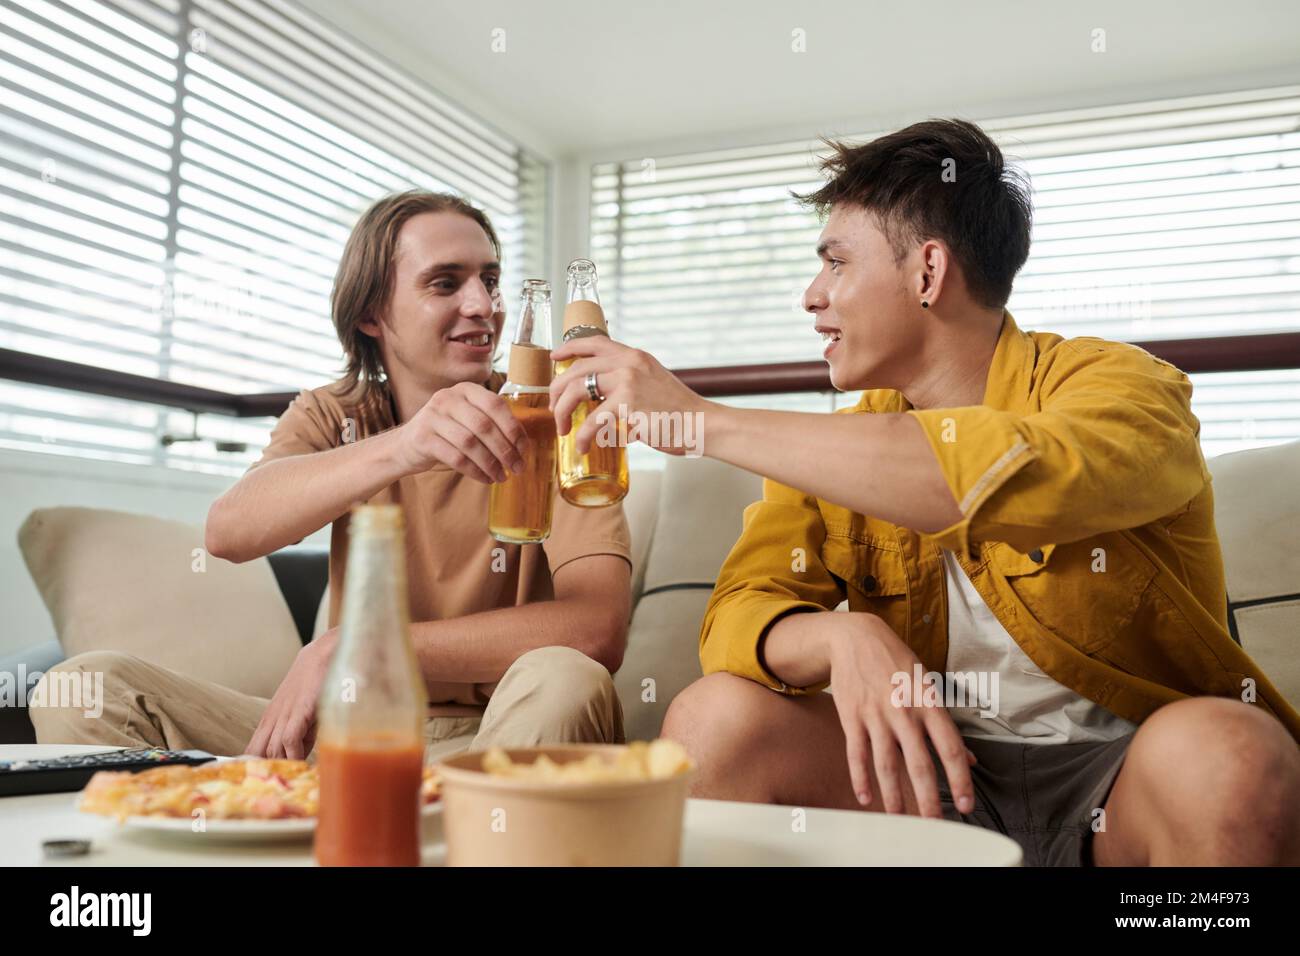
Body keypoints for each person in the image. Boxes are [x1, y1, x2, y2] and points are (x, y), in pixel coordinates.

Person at [547, 119, 1300, 866]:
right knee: (714, 718)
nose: (813, 296)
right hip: (929, 778)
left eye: (835, 263)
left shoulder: (1124, 387)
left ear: (928, 273)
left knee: (1229, 751)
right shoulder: (833, 447)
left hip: (1126, 778)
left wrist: (701, 421)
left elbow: (1010, 474)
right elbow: (737, 617)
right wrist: (843, 637)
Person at [33, 191, 631, 761]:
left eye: (490, 281)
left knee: (565, 677)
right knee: (89, 686)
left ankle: (467, 835)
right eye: (446, 283)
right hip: (346, 737)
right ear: (372, 313)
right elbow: (230, 532)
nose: (483, 306)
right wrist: (406, 445)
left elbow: (597, 630)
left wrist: (359, 646)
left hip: (502, 735)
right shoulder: (334, 414)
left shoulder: (557, 416)